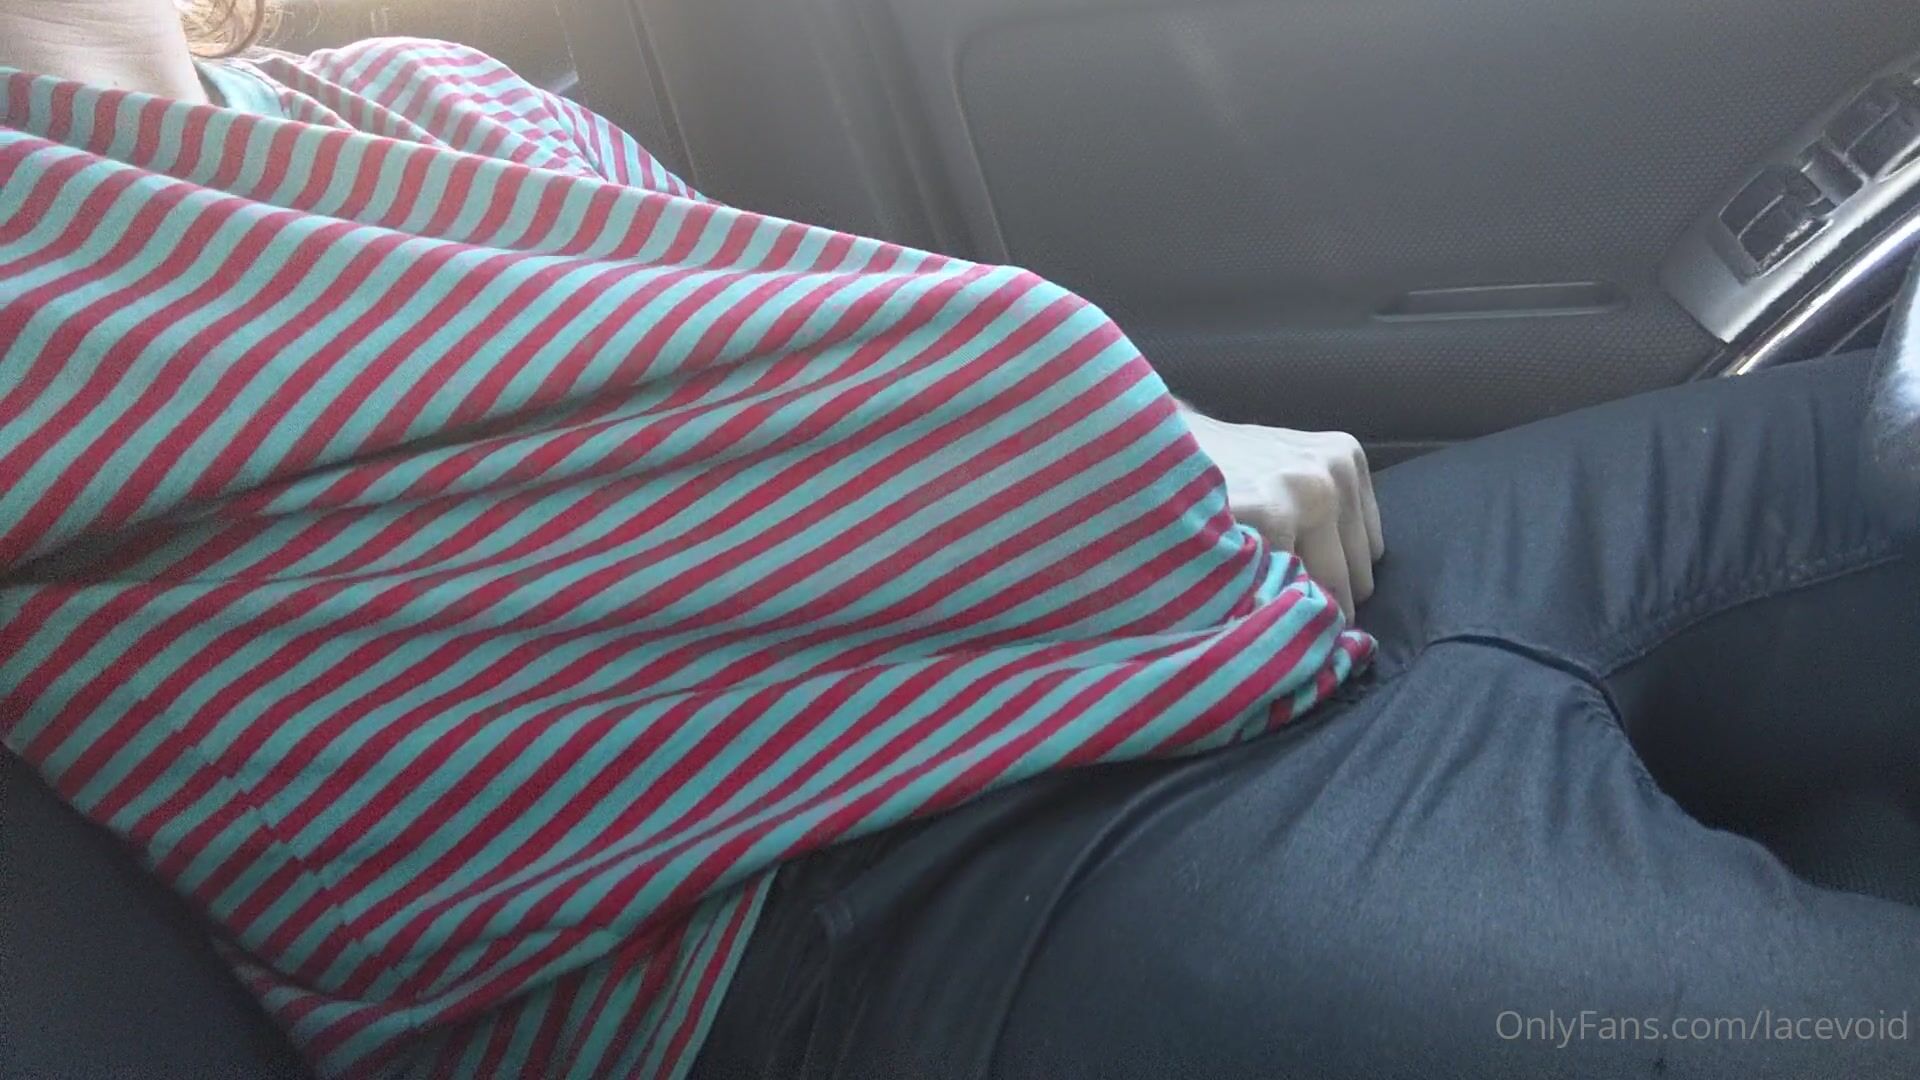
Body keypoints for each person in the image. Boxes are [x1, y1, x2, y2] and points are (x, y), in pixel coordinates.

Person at [0, 4, 1915, 1080]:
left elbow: (805, 335)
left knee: (1883, 434)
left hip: (1275, 595)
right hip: (928, 904)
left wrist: (1165, 433)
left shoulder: (419, 86)